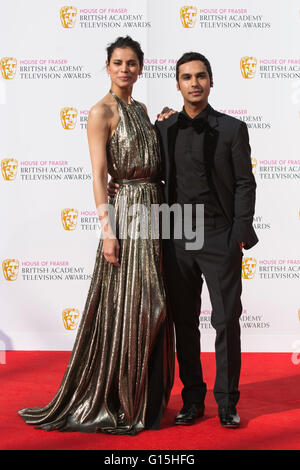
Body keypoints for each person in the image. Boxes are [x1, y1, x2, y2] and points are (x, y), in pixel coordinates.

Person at [18, 36, 174, 435]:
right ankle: (122, 395)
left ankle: (148, 396)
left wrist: (165, 123)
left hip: (156, 209)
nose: (125, 69)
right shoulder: (101, 112)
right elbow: (99, 175)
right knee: (134, 301)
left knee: (156, 300)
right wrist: (108, 232)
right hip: (127, 215)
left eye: (132, 63)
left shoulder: (139, 109)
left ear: (141, 68)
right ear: (107, 66)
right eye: (118, 62)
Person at [110, 51, 258, 428]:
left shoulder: (232, 129)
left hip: (220, 234)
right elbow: (144, 166)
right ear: (177, 84)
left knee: (226, 320)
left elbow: (245, 182)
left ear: (210, 81)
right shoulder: (164, 128)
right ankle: (192, 399)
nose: (194, 82)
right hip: (176, 232)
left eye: (201, 76)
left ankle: (226, 401)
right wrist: (121, 182)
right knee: (184, 323)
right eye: (186, 77)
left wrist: (240, 233)